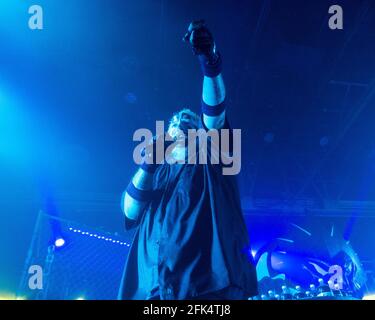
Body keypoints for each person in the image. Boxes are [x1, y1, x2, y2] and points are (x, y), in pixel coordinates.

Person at [118, 20, 258, 300]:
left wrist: (210, 63)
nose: (181, 124)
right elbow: (129, 212)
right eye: (175, 124)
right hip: (151, 289)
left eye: (189, 122)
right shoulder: (157, 175)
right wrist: (148, 165)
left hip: (206, 288)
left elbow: (215, 113)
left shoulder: (213, 161)